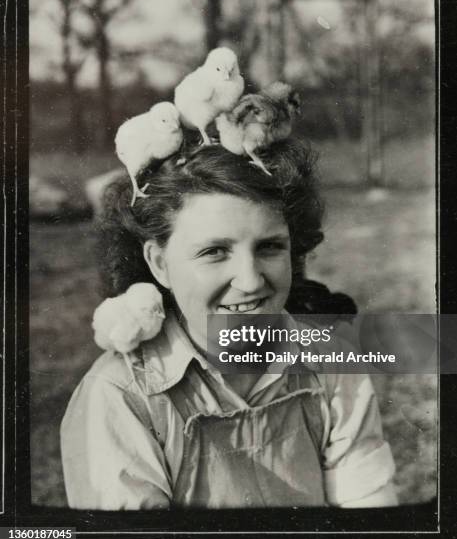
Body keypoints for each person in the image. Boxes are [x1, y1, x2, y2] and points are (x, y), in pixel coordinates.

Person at [60, 137, 398, 509]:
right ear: (159, 263)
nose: (250, 281)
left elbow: (369, 510)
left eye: (269, 247)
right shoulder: (121, 395)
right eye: (214, 252)